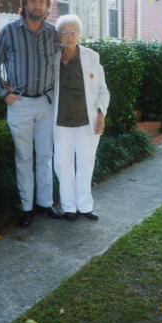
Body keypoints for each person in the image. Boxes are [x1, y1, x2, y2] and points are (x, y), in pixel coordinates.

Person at [0, 0, 63, 227]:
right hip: (19, 103)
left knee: (45, 156)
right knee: (23, 158)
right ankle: (26, 207)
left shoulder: (53, 33)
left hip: (45, 103)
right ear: (25, 3)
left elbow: (66, 60)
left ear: (47, 5)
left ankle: (45, 203)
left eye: (42, 1)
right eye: (33, 0)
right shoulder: (9, 31)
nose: (37, 5)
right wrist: (3, 93)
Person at [53, 14, 110, 221]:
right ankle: (69, 206)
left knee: (86, 163)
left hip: (87, 121)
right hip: (60, 122)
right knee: (62, 164)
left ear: (79, 34)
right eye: (64, 32)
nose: (69, 36)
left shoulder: (91, 56)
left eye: (73, 32)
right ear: (59, 35)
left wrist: (101, 114)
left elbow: (103, 90)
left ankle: (85, 206)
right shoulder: (52, 58)